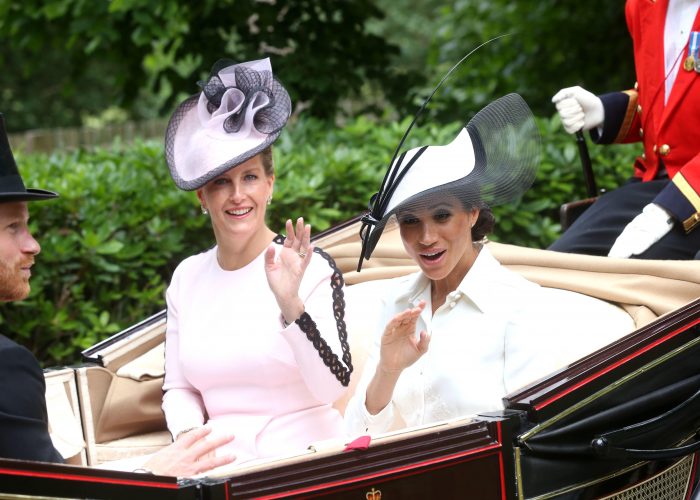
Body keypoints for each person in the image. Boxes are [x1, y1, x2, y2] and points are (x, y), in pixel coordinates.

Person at [0, 113, 235, 476]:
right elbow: (56, 498)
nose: (33, 245)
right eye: (14, 227)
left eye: (27, 225)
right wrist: (152, 474)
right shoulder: (8, 368)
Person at [161, 57, 352, 465]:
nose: (237, 195)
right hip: (220, 467)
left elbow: (333, 388)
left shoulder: (311, 267)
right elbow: (178, 389)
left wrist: (290, 305)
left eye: (249, 177)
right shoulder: (186, 277)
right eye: (221, 182)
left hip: (306, 462)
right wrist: (192, 439)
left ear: (269, 185)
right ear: (202, 196)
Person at [344, 93, 554, 434]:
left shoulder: (520, 304)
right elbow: (357, 434)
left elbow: (533, 432)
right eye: (410, 221)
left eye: (441, 216)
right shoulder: (396, 301)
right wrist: (388, 370)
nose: (426, 237)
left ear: (472, 213)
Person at [550, 0, 700, 259]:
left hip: (689, 189)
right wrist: (605, 111)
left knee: (630, 273)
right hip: (657, 184)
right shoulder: (642, 6)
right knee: (559, 263)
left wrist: (672, 208)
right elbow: (666, 102)